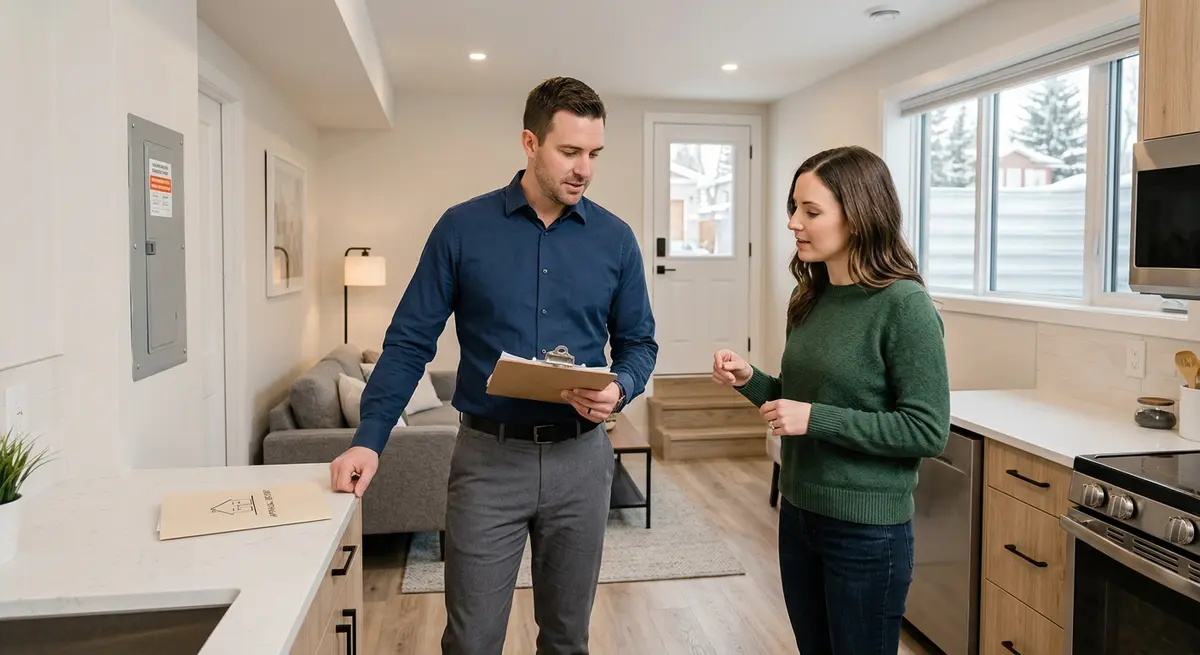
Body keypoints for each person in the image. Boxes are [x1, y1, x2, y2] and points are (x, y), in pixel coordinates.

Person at [329, 76, 657, 655]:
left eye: (595, 154)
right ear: (530, 143)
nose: (585, 168)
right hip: (487, 464)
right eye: (570, 151)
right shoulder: (462, 228)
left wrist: (622, 387)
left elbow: (639, 345)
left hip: (581, 461)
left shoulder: (617, 240)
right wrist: (369, 440)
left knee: (566, 639)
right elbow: (408, 342)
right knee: (472, 640)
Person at [712, 145, 950, 655]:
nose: (794, 223)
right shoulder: (812, 297)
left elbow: (927, 430)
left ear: (860, 217)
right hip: (800, 517)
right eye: (793, 209)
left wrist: (817, 419)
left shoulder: (904, 305)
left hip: (866, 533)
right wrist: (750, 380)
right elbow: (795, 407)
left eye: (811, 212)